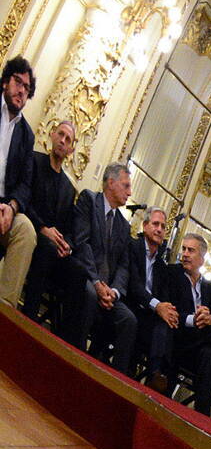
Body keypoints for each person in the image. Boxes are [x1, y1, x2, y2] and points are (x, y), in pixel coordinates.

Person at [74, 160, 143, 375]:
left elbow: (123, 266)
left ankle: (114, 380)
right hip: (84, 277)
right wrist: (96, 282)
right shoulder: (89, 199)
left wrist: (113, 291)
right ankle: (73, 360)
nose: (129, 193)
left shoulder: (123, 225)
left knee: (129, 320)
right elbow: (81, 243)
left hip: (109, 292)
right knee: (89, 295)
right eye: (126, 186)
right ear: (111, 183)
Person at [19, 120, 79, 342]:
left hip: (54, 249)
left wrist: (68, 246)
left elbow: (71, 230)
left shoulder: (68, 188)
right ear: (52, 135)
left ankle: (64, 341)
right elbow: (24, 200)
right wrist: (43, 228)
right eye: (60, 135)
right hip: (31, 231)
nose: (62, 141)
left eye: (68, 139)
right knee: (45, 248)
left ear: (71, 149)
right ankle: (28, 322)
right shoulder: (34, 161)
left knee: (78, 272)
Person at [155, 234, 211, 413]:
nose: (185, 254)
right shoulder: (172, 273)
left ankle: (201, 414)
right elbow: (169, 306)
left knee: (208, 351)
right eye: (184, 249)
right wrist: (193, 319)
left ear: (202, 258)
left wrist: (210, 318)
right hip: (177, 334)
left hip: (198, 345)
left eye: (191, 250)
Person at [0, 57, 39, 308]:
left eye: (27, 88)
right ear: (5, 82)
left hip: (3, 209)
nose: (22, 90)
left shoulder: (26, 134)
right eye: (18, 82)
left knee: (26, 230)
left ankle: (4, 310)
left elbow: (25, 185)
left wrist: (11, 208)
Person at [132, 207, 177, 378]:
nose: (159, 229)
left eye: (163, 226)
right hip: (131, 304)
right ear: (145, 226)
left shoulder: (161, 265)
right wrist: (157, 305)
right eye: (155, 224)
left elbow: (164, 296)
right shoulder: (132, 247)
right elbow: (133, 285)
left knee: (167, 323)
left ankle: (156, 376)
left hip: (149, 314)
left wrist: (167, 310)